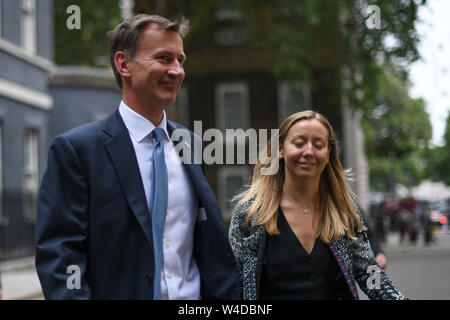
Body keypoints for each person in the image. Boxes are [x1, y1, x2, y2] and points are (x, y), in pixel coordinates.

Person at [35, 14, 240, 300]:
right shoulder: (77, 150)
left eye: (180, 60)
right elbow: (61, 255)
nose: (177, 70)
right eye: (164, 58)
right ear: (123, 64)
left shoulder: (190, 144)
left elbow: (205, 243)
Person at [229, 110, 407, 300]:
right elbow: (233, 284)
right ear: (280, 149)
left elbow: (369, 272)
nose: (309, 152)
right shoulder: (250, 215)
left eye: (318, 145)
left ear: (328, 152)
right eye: (299, 143)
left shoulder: (343, 210)